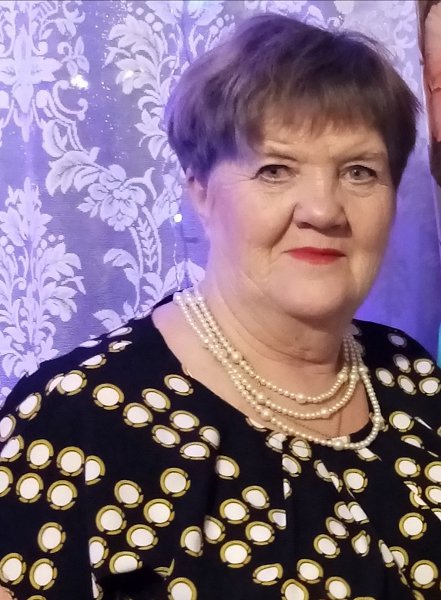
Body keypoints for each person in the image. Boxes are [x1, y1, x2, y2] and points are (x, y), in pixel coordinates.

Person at [1, 12, 440, 600]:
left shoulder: (412, 374)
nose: (323, 209)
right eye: (275, 169)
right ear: (201, 192)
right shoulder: (69, 422)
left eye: (360, 171)